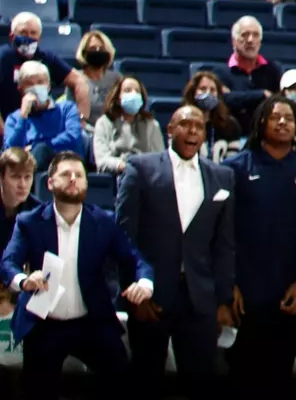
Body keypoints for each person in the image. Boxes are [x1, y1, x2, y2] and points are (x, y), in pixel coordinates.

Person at [2, 151, 155, 395]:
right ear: (50, 183)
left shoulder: (104, 222)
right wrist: (23, 280)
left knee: (124, 381)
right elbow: (9, 262)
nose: (74, 179)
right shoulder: (29, 221)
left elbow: (135, 259)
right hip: (45, 325)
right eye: (66, 174)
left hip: (91, 321)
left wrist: (145, 283)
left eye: (79, 175)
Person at [114, 104, 236, 400]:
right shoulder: (141, 168)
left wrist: (223, 301)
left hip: (200, 299)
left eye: (198, 126)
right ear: (170, 129)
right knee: (145, 381)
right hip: (152, 296)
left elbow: (224, 245)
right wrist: (134, 292)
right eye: (185, 124)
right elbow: (123, 235)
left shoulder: (223, 177)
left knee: (200, 382)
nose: (193, 130)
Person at [225, 94, 296, 400]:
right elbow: (222, 231)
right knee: (242, 378)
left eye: (289, 118)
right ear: (260, 124)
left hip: (286, 292)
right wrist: (229, 284)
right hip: (243, 290)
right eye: (275, 117)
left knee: (278, 379)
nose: (282, 122)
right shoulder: (234, 168)